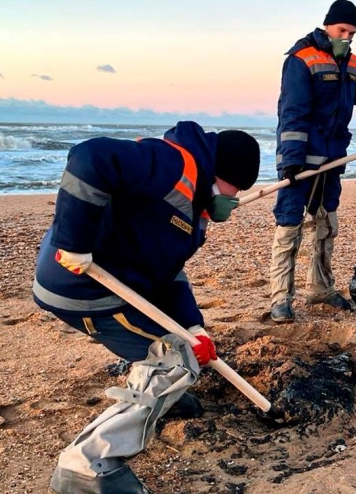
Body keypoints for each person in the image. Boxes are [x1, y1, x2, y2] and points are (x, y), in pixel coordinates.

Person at [32, 121, 260, 494]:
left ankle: (160, 395)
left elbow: (169, 275)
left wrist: (194, 325)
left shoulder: (195, 206)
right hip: (85, 287)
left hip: (119, 287)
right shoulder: (170, 164)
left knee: (181, 344)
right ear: (223, 174)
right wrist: (74, 242)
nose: (234, 199)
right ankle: (86, 463)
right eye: (236, 189)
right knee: (175, 357)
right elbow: (90, 158)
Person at [270, 0, 356, 323]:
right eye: (343, 30)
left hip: (333, 158)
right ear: (328, 25)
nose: (347, 37)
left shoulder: (352, 63)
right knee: (289, 224)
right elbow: (292, 112)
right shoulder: (301, 58)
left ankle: (320, 288)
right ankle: (281, 298)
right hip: (301, 160)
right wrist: (292, 161)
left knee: (326, 223)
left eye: (352, 33)